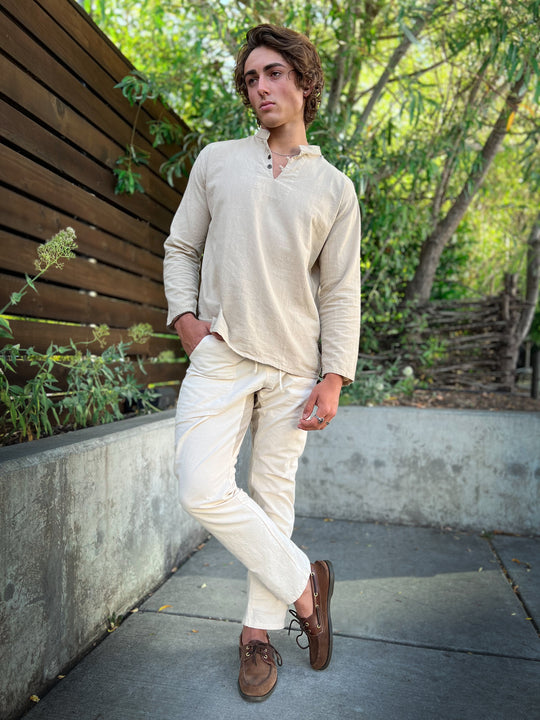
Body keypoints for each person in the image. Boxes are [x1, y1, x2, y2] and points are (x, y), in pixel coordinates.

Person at [163, 23, 361, 702]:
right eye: (251, 79)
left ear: (303, 82)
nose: (261, 88)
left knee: (273, 499)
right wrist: (187, 323)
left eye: (274, 74)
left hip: (293, 368)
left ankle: (256, 634)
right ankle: (306, 584)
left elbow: (339, 290)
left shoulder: (335, 189)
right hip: (219, 354)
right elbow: (180, 247)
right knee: (200, 487)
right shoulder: (218, 160)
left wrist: (333, 376)